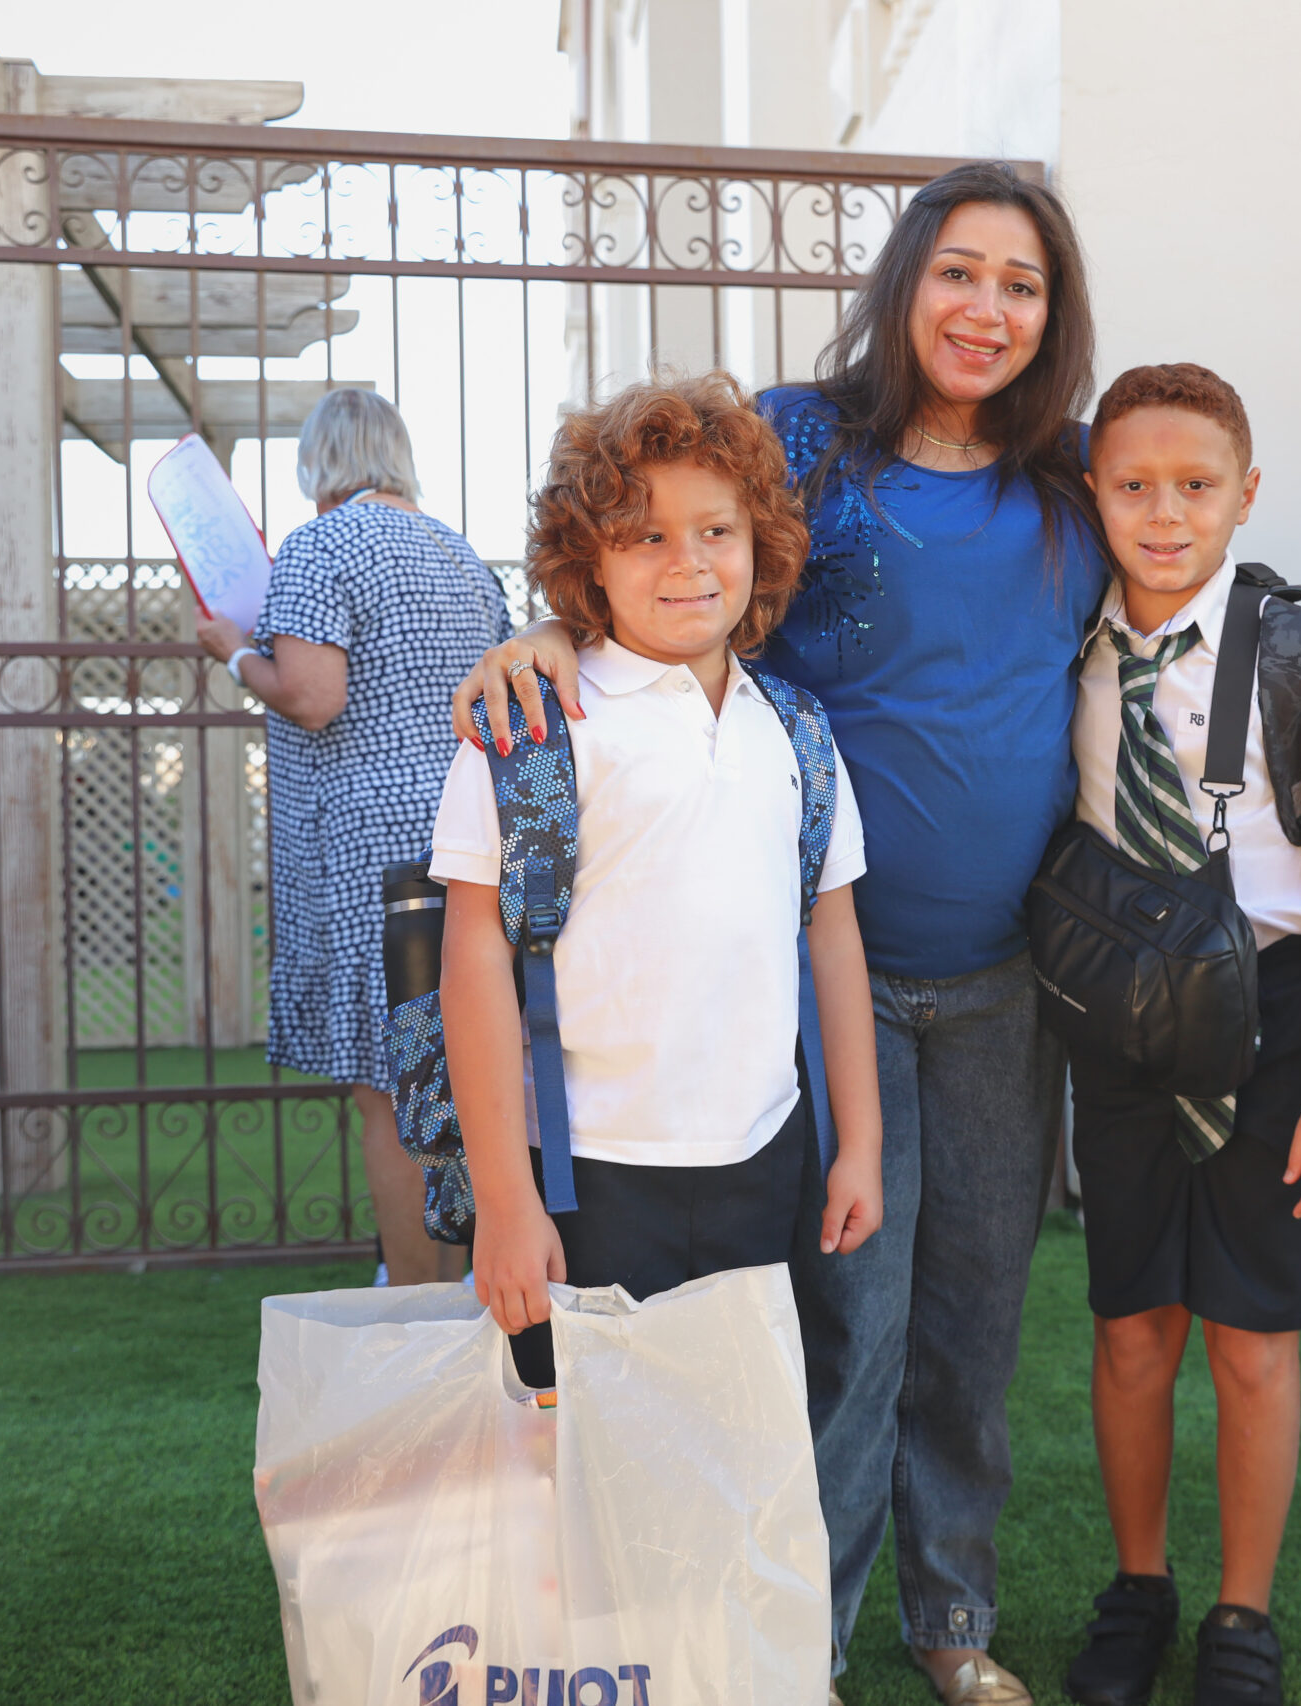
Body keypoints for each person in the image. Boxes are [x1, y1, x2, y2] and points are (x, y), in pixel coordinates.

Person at [457, 162, 1108, 1705]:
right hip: (828, 993)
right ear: (906, 280)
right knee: (842, 1338)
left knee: (972, 1325)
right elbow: (661, 534)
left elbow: (1184, 549)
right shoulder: (807, 435)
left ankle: (950, 1618)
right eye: (959, 271)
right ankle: (793, 1635)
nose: (987, 307)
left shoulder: (1075, 478)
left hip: (1002, 979)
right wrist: (545, 629)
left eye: (1022, 283)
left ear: (1053, 314)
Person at [429, 372, 885, 1397]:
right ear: (586, 559)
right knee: (585, 1453)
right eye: (646, 536)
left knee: (737, 1444)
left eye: (717, 530)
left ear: (762, 541)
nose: (689, 561)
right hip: (585, 1173)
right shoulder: (532, 730)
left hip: (766, 1163)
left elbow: (833, 935)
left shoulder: (796, 733)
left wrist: (858, 1142)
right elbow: (475, 956)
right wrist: (505, 1200)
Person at [1056, 365, 1301, 1706]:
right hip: (1123, 1015)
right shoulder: (1064, 640)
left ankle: (1241, 1614)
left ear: (1244, 494)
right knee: (1132, 1327)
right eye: (1133, 485)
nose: (1164, 514)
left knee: (1252, 1338)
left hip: (1282, 1017)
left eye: (1195, 485)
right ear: (1092, 492)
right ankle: (1138, 1587)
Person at [195, 388, 509, 1287]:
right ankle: (464, 1284)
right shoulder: (459, 554)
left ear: (318, 462)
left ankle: (414, 1299)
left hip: (373, 851)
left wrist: (231, 650)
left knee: (389, 1084)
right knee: (459, 1075)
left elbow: (312, 695)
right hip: (466, 838)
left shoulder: (320, 546)